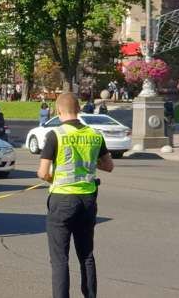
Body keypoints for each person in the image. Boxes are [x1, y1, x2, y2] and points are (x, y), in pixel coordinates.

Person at [37, 93, 114, 298]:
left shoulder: (56, 135)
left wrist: (54, 179)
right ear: (79, 109)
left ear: (58, 110)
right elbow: (108, 166)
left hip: (62, 199)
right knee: (86, 255)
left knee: (60, 258)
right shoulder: (95, 135)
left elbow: (43, 172)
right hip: (88, 200)